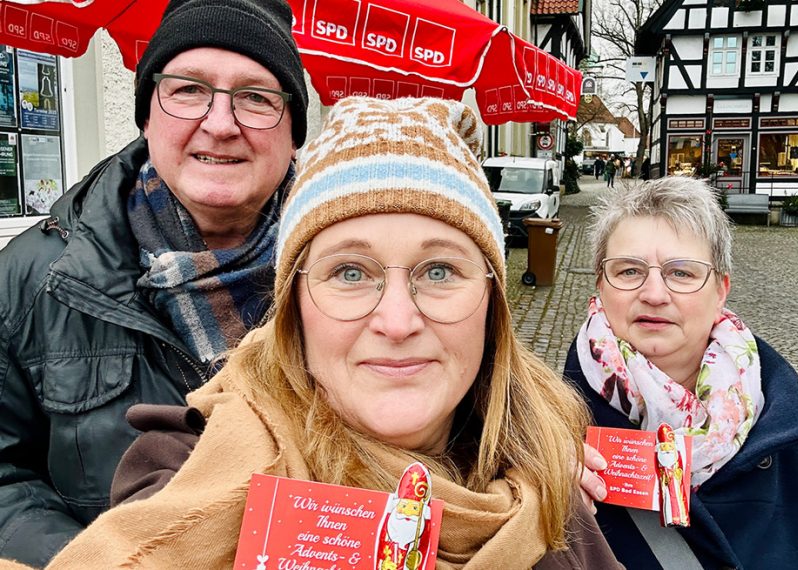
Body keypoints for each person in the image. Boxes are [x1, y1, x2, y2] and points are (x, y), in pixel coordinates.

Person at [1, 97, 624, 569]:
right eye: (350, 272)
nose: (398, 321)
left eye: (440, 270)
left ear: (492, 302)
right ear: (294, 308)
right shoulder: (184, 472)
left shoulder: (552, 495)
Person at [0, 0, 308, 565]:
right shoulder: (34, 278)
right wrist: (108, 558)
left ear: (293, 133)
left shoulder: (350, 271)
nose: (220, 123)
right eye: (188, 89)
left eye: (256, 98)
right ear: (147, 115)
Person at [564, 177, 798, 569]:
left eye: (682, 273)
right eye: (628, 271)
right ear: (600, 286)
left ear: (721, 290)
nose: (654, 293)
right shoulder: (543, 440)